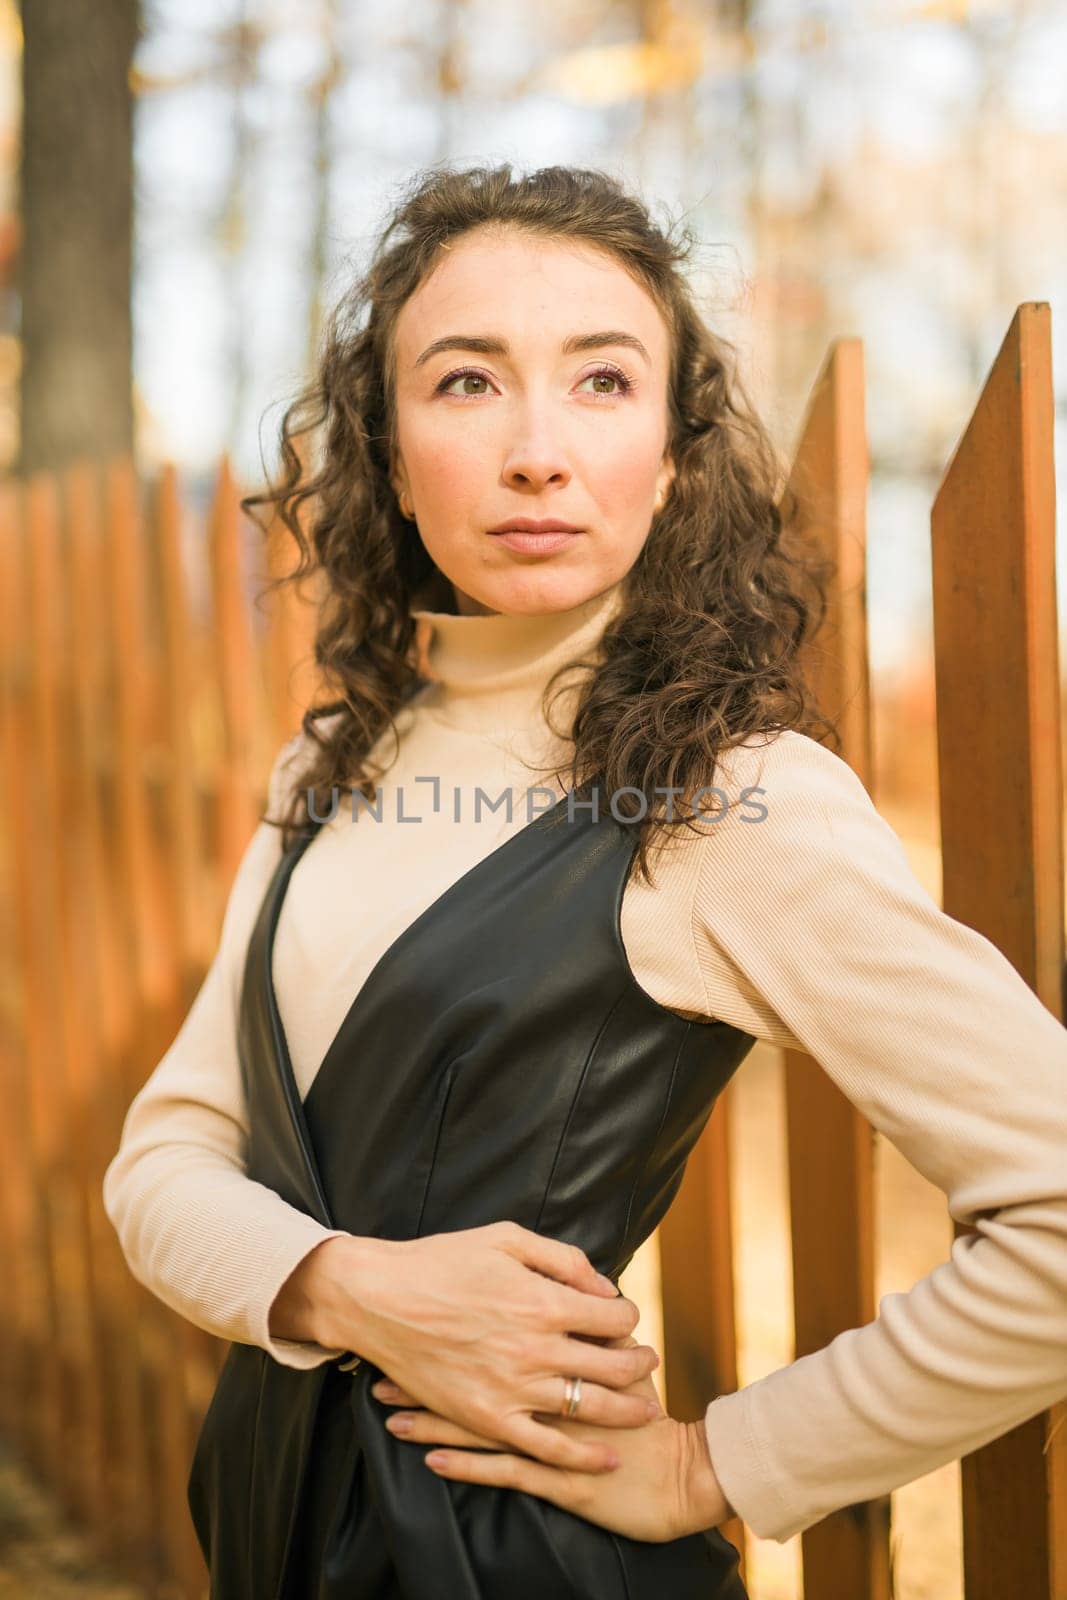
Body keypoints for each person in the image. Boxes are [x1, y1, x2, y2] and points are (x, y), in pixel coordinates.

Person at [103, 163, 1067, 1600]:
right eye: (469, 383)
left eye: (603, 384)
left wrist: (717, 1463)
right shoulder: (335, 766)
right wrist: (346, 1286)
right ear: (384, 448)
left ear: (674, 458)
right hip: (273, 1531)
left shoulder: (727, 797)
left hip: (527, 1560)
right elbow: (163, 1164)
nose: (537, 450)